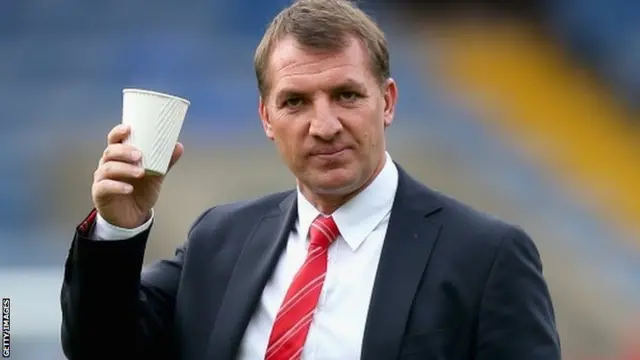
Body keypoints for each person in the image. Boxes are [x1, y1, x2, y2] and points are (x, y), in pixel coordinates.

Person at [59, 0, 562, 359]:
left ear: (386, 102)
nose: (324, 126)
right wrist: (118, 229)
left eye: (346, 94)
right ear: (266, 118)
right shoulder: (221, 239)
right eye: (295, 102)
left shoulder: (487, 256)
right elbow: (101, 348)